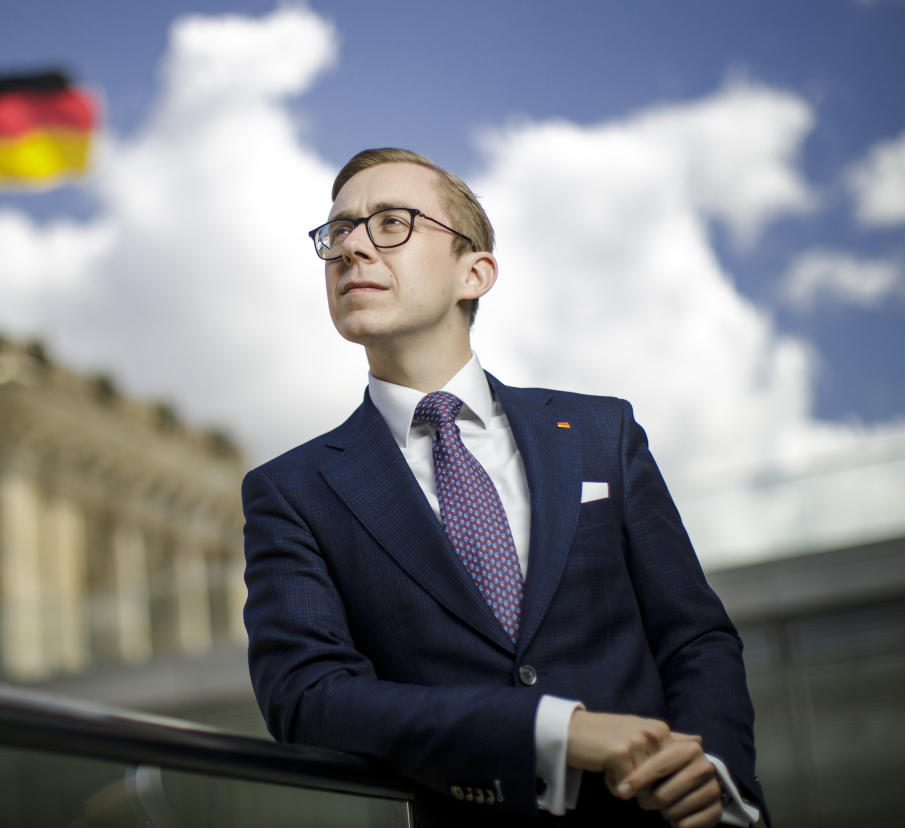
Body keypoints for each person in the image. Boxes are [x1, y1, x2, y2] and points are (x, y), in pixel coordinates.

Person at [242, 148, 768, 826]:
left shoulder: (600, 433)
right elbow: (309, 697)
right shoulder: (292, 492)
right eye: (338, 231)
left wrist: (714, 774)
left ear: (475, 272)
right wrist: (552, 731)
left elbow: (695, 638)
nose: (352, 248)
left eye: (391, 223)